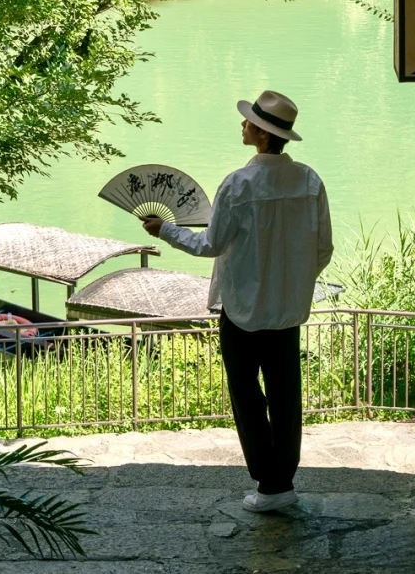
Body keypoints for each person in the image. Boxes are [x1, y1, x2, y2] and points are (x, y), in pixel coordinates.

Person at [141, 90, 332, 512]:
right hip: (287, 314)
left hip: (242, 313)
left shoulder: (239, 184)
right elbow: (322, 250)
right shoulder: (310, 181)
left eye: (248, 123)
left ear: (262, 135)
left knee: (247, 396)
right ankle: (282, 480)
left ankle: (269, 485)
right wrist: (292, 284)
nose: (242, 126)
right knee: (286, 396)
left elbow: (211, 244)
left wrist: (165, 231)